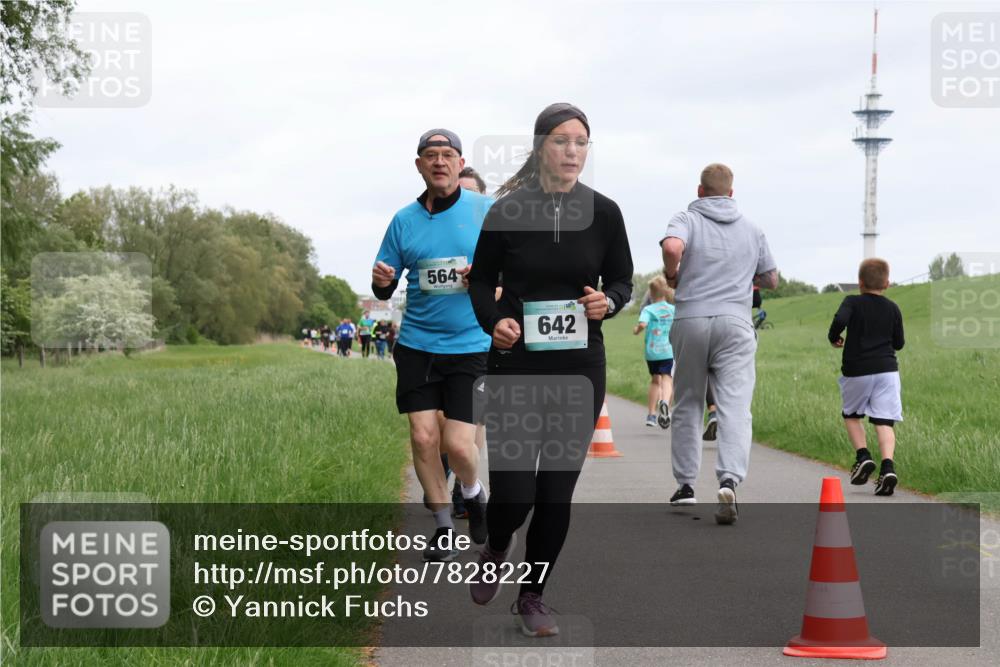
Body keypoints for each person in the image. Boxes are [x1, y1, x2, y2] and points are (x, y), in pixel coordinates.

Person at [467, 103, 633, 636]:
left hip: (580, 368)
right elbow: (478, 281)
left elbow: (623, 281)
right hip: (516, 364)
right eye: (562, 141)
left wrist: (608, 302)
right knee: (514, 494)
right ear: (542, 146)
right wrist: (495, 320)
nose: (572, 151)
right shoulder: (506, 212)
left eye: (581, 142)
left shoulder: (604, 212)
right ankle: (496, 542)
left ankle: (532, 597)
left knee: (556, 492)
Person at [371, 128, 492, 561]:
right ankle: (443, 527)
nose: (439, 161)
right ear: (419, 165)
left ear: (460, 164)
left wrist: (487, 278)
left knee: (459, 446)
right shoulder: (404, 220)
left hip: (473, 344)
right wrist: (381, 281)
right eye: (430, 155)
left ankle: (474, 494)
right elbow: (384, 284)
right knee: (423, 439)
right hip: (419, 345)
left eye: (447, 155)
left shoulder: (486, 210)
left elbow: (513, 271)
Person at [661, 163, 777, 523]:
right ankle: (729, 480)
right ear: (731, 193)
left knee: (688, 403)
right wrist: (747, 272)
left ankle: (686, 487)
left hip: (692, 319)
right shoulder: (752, 228)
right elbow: (771, 278)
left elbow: (672, 246)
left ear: (700, 191)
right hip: (736, 323)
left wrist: (671, 273)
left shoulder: (687, 218)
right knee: (735, 407)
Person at [828, 258, 904, 496]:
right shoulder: (893, 308)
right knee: (884, 421)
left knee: (851, 414)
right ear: (887, 284)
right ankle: (888, 468)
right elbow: (899, 343)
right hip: (887, 371)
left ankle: (863, 456)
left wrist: (834, 336)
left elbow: (840, 320)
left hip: (857, 370)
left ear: (859, 282)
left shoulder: (852, 301)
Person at [633, 275, 675, 428]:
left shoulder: (648, 309)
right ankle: (664, 403)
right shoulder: (673, 309)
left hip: (652, 352)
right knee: (667, 378)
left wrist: (636, 330)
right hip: (669, 351)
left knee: (655, 381)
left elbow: (642, 324)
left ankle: (651, 415)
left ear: (650, 294)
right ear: (666, 291)